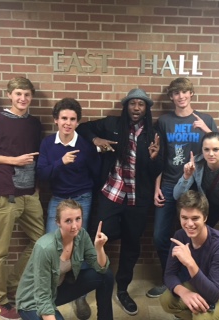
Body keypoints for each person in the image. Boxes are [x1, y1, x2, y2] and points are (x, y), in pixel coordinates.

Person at [76, 88, 163, 315]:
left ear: (146, 109)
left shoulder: (153, 133)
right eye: (132, 103)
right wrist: (96, 139)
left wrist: (154, 159)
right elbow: (83, 128)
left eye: (141, 104)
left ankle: (122, 289)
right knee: (100, 238)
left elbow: (157, 170)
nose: (136, 108)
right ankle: (92, 283)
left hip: (138, 199)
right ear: (126, 106)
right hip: (111, 194)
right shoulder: (111, 124)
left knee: (132, 245)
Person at [0, 77, 45, 320]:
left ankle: (12, 283)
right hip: (3, 192)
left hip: (29, 193)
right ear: (10, 95)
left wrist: (35, 186)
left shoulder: (34, 123)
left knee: (40, 242)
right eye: (18, 94)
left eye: (27, 94)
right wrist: (12, 161)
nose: (22, 99)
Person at [147, 77, 218, 298]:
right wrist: (156, 187)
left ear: (191, 94)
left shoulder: (205, 119)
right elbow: (159, 156)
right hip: (168, 184)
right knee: (160, 235)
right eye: (176, 93)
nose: (181, 96)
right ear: (171, 97)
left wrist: (206, 130)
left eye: (185, 92)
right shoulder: (164, 121)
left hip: (195, 187)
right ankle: (169, 277)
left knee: (195, 234)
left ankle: (190, 277)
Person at [36, 97, 100, 319]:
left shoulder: (84, 144)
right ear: (56, 120)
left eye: (72, 119)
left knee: (79, 245)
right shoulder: (47, 144)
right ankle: (48, 293)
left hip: (82, 197)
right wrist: (60, 163)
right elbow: (42, 174)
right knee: (51, 246)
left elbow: (96, 172)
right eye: (64, 118)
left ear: (77, 122)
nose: (68, 123)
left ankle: (79, 296)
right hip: (58, 199)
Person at [160, 190, 219, 320]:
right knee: (167, 300)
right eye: (184, 218)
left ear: (205, 217)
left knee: (202, 317)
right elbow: (169, 274)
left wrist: (190, 263)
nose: (189, 224)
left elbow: (214, 294)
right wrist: (184, 293)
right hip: (203, 283)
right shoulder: (180, 236)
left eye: (195, 218)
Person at [16, 199, 114, 320]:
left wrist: (99, 248)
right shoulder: (45, 247)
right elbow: (42, 295)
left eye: (78, 219)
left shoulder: (81, 235)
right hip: (33, 299)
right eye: (68, 221)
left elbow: (101, 268)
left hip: (57, 289)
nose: (74, 226)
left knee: (106, 276)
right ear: (58, 222)